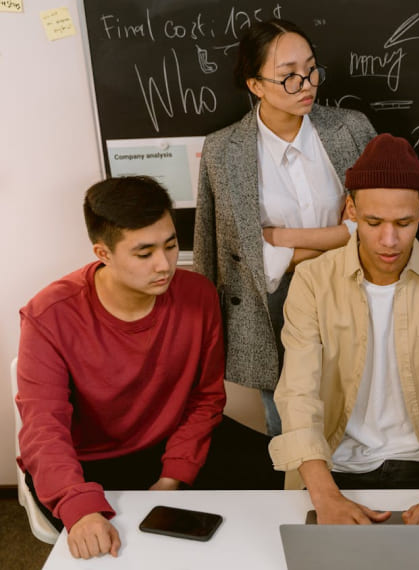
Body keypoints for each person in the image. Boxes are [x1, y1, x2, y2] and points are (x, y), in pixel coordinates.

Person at [16, 176, 278, 561]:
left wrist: (174, 474)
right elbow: (43, 426)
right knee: (122, 551)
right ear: (103, 253)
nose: (164, 264)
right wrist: (79, 505)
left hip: (170, 440)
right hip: (86, 460)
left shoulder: (198, 294)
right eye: (144, 253)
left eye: (170, 245)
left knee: (285, 478)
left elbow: (206, 399)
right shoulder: (49, 314)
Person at [268, 134, 419, 524]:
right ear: (351, 210)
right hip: (333, 466)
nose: (389, 240)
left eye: (404, 223)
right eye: (373, 222)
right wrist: (326, 498)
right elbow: (298, 395)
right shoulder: (312, 280)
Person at [193, 19, 377, 436]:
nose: (306, 85)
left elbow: (375, 223)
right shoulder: (223, 151)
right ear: (255, 85)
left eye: (311, 70)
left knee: (364, 416)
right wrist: (339, 236)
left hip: (354, 288)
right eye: (289, 76)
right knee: (293, 429)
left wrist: (283, 238)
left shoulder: (351, 129)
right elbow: (231, 250)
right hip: (273, 305)